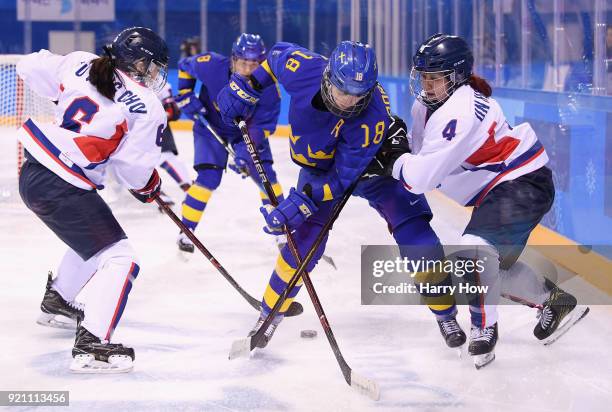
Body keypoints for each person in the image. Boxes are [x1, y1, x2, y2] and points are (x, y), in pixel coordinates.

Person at [370, 33, 589, 368]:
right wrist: (399, 152)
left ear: (456, 76)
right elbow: (421, 157)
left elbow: (420, 178)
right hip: (504, 188)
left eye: (436, 78)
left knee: (473, 252)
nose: (427, 85)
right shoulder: (426, 106)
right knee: (487, 267)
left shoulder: (461, 110)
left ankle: (483, 328)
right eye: (424, 77)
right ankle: (553, 301)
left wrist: (393, 161)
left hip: (523, 182)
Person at [216, 40, 447, 348]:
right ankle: (269, 315)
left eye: (357, 95)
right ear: (328, 77)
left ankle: (446, 313)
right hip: (321, 167)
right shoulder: (303, 68)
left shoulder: (372, 116)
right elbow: (274, 57)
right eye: (342, 91)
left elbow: (344, 178)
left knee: (413, 227)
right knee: (304, 242)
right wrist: (248, 87)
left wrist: (303, 200)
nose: (347, 102)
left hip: (373, 167)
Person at [17, 27, 168, 373]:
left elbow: (28, 65)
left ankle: (59, 300)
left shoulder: (81, 62)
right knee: (121, 258)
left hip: (35, 173)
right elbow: (135, 172)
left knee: (97, 240)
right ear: (137, 62)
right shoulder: (147, 105)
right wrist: (151, 186)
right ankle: (93, 342)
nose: (155, 74)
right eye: (152, 66)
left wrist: (63, 93)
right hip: (63, 182)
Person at [174, 33, 286, 253]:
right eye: (243, 62)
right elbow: (184, 65)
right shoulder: (211, 65)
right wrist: (186, 94)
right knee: (208, 177)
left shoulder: (270, 88)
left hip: (245, 135)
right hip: (211, 128)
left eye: (254, 64)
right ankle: (186, 230)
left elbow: (262, 127)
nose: (248, 69)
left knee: (266, 178)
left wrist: (245, 152)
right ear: (233, 58)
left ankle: (282, 230)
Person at [156, 81, 192, 205]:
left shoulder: (159, 83)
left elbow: (173, 112)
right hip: (126, 128)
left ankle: (189, 189)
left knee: (164, 157)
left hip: (152, 127)